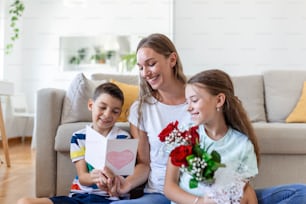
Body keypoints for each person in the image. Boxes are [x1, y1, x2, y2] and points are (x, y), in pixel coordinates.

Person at [111, 33, 306, 204]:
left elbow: (228, 150)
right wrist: (125, 185)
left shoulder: (204, 99)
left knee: (300, 193)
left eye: (151, 64)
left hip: (216, 194)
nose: (145, 73)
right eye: (140, 67)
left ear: (172, 60)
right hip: (163, 194)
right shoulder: (141, 110)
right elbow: (145, 164)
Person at [17, 82, 131, 204]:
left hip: (110, 200)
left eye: (115, 111)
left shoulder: (123, 138)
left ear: (119, 114)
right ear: (91, 105)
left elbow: (124, 179)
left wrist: (112, 181)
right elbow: (83, 177)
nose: (107, 114)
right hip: (79, 198)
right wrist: (95, 177)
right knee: (24, 202)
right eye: (102, 107)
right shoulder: (78, 137)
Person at [164, 69, 259, 203]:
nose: (188, 108)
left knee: (249, 191)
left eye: (194, 100)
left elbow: (242, 193)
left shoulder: (242, 145)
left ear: (219, 100)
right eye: (187, 102)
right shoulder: (185, 136)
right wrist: (200, 202)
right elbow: (169, 187)